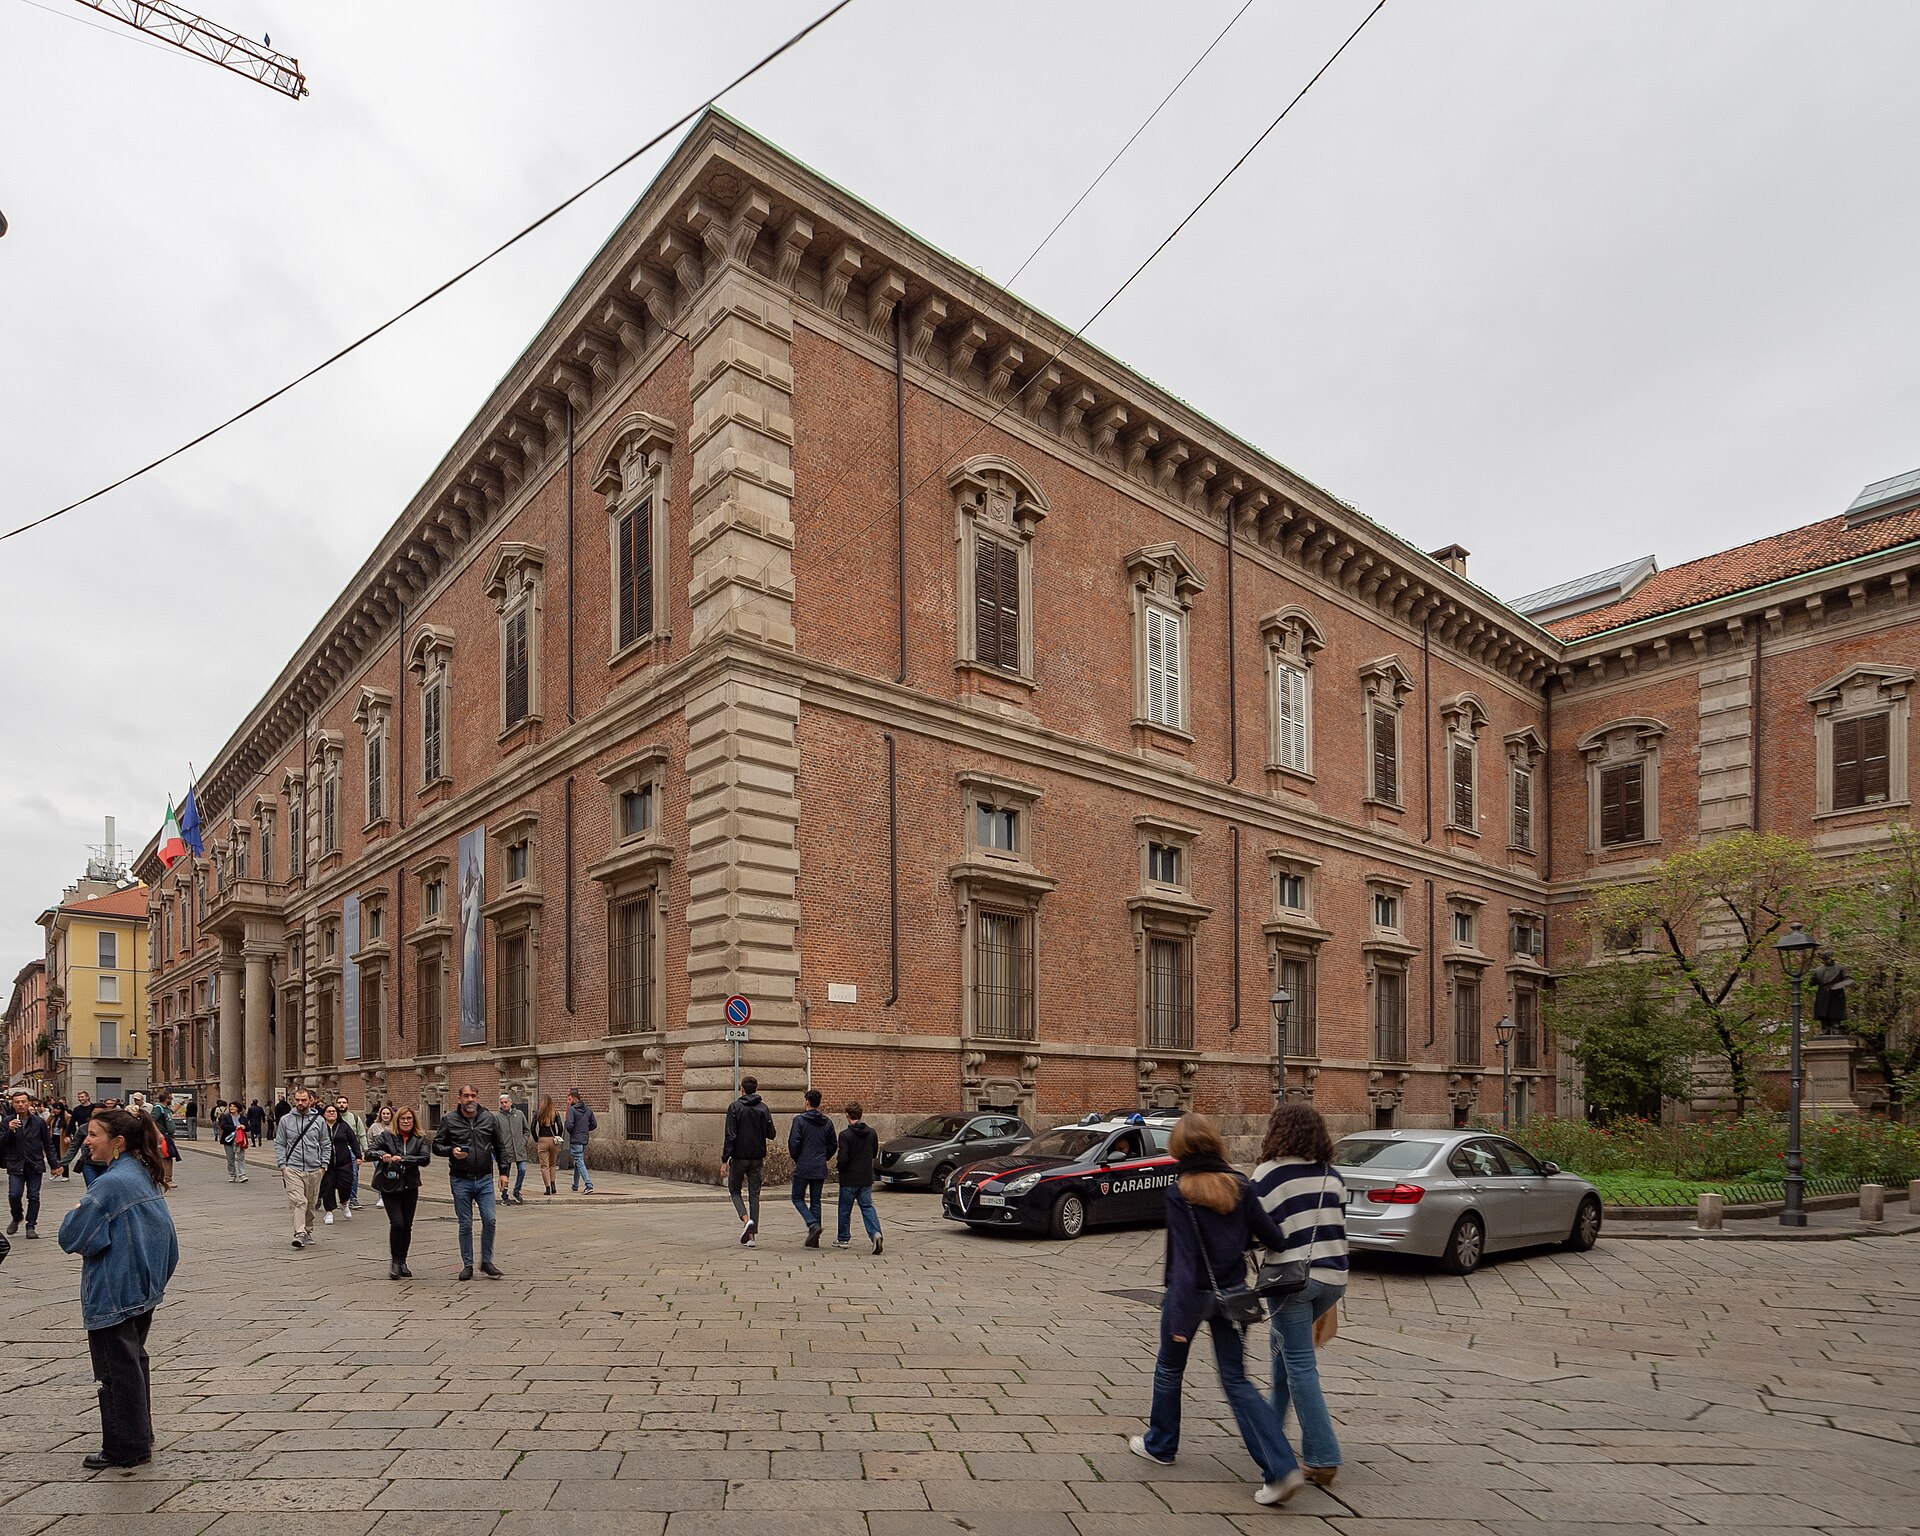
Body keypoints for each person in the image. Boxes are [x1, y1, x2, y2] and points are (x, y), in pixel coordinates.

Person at [1132, 1112, 1302, 1507]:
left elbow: (1185, 1261)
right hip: (1234, 1295)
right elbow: (1275, 1238)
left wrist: (1178, 1318)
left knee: (1169, 1368)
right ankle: (1281, 1468)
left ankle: (1161, 1445)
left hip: (1189, 1296)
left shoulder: (1180, 1191)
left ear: (1178, 1148)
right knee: (1236, 1380)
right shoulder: (1240, 1185)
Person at [57, 1106, 179, 1470]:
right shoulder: (141, 1172)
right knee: (133, 1361)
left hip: (115, 1288)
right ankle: (139, 1434)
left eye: (94, 1135)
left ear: (118, 1141)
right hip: (142, 1287)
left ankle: (126, 1447)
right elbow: (166, 1237)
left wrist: (78, 1214)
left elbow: (72, 1236)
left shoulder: (110, 1184)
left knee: (115, 1370)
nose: (86, 1141)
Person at [1251, 1102, 1349, 1488]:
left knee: (1299, 1364)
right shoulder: (1332, 1175)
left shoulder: (1268, 1174)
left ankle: (1323, 1456)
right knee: (1284, 1355)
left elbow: (1259, 1230)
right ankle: (1270, 1436)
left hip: (1291, 1282)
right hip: (1333, 1280)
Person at [432, 1083, 509, 1280]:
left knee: (490, 1220)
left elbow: (500, 1146)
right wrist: (452, 1151)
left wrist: (504, 1173)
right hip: (460, 1179)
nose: (470, 1099)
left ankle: (486, 1261)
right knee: (465, 1224)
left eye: (473, 1095)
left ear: (477, 1097)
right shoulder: (449, 1120)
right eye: (466, 1096)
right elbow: (436, 1146)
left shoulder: (488, 1118)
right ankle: (468, 1265)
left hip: (484, 1179)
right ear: (459, 1099)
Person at [366, 1106, 431, 1280]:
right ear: (397, 1120)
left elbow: (425, 1159)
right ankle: (395, 1262)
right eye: (403, 1119)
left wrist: (403, 1159)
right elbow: (369, 1152)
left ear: (414, 1121)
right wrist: (383, 1155)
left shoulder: (419, 1138)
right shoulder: (387, 1136)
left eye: (409, 1118)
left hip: (410, 1185)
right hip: (390, 1185)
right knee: (397, 1223)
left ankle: (403, 1261)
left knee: (407, 1225)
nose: (406, 1122)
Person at [273, 1087, 331, 1249]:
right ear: (293, 1100)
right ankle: (299, 1232)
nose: (300, 1103)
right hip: (293, 1168)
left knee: (310, 1204)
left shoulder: (319, 1121)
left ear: (310, 1101)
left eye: (303, 1100)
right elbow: (280, 1143)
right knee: (299, 1201)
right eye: (297, 1100)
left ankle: (307, 1230)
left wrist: (323, 1166)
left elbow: (325, 1144)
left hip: (315, 1169)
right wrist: (282, 1165)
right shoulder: (286, 1120)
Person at [721, 1076, 774, 1245]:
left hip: (739, 1157)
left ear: (742, 1089)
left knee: (734, 1189)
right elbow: (771, 1133)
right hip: (757, 1157)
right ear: (756, 1089)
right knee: (754, 1194)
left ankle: (746, 1220)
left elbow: (730, 1135)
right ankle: (752, 1237)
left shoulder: (735, 1107)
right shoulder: (763, 1108)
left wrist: (724, 1159)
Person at [2, 1091, 58, 1238]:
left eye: (23, 1102)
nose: (20, 1105)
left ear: (29, 1103)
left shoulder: (39, 1122)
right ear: (12, 1104)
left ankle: (31, 1225)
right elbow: (2, 1143)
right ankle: (17, 1216)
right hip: (16, 1163)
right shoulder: (6, 1121)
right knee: (14, 1194)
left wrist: (54, 1164)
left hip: (34, 1163)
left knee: (33, 1196)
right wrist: (9, 1130)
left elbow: (48, 1144)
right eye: (17, 1102)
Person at [832, 1102, 882, 1254]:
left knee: (845, 1209)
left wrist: (840, 1168)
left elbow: (843, 1158)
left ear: (847, 1115)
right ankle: (875, 1233)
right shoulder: (872, 1133)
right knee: (867, 1207)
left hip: (849, 1177)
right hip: (866, 1176)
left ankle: (843, 1238)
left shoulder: (845, 1135)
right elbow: (874, 1153)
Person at [787, 1089, 835, 1247]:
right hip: (819, 1165)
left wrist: (798, 1158)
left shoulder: (799, 1120)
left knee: (797, 1197)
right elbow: (833, 1144)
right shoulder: (827, 1122)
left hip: (804, 1164)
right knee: (816, 1201)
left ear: (807, 1102)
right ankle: (814, 1240)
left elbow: (794, 1143)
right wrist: (824, 1157)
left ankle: (812, 1224)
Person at [317, 1105, 360, 1224]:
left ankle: (344, 1203)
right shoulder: (320, 1127)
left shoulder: (344, 1126)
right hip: (326, 1163)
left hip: (344, 1162)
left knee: (345, 1185)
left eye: (333, 1111)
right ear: (324, 1114)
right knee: (327, 1187)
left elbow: (353, 1141)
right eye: (329, 1111)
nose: (331, 1113)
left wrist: (358, 1156)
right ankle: (329, 1212)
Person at [496, 1092, 531, 1205]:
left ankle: (517, 1190)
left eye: (506, 1102)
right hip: (506, 1150)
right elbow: (495, 1135)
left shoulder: (519, 1114)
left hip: (519, 1149)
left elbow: (526, 1130)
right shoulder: (497, 1117)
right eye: (502, 1103)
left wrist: (523, 1142)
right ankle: (504, 1195)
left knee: (522, 1169)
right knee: (505, 1173)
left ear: (510, 1102)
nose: (504, 1104)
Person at [335, 1095, 367, 1210]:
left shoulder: (355, 1118)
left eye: (344, 1102)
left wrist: (365, 1151)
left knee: (353, 1174)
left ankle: (353, 1198)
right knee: (336, 1176)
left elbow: (361, 1135)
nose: (341, 1105)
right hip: (337, 1151)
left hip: (352, 1150)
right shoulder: (332, 1118)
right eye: (339, 1102)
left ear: (347, 1104)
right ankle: (340, 1199)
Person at [563, 1088, 597, 1194]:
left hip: (576, 1139)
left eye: (569, 1100)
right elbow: (594, 1124)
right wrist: (585, 1129)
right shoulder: (588, 1110)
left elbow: (569, 1125)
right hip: (584, 1138)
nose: (568, 1102)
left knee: (579, 1161)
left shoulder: (572, 1110)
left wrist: (573, 1131)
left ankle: (588, 1184)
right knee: (578, 1161)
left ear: (575, 1099)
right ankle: (575, 1184)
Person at [532, 1097, 564, 1195]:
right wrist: (558, 1136)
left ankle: (547, 1187)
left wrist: (536, 1139)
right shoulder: (555, 1112)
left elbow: (532, 1128)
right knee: (552, 1164)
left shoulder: (538, 1113)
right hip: (553, 1140)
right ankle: (553, 1184)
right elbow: (561, 1127)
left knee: (544, 1166)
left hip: (543, 1140)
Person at [216, 1101, 249, 1183]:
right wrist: (235, 1127)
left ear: (238, 1108)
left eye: (234, 1106)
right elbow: (223, 1126)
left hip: (240, 1139)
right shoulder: (226, 1117)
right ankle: (232, 1174)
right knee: (230, 1158)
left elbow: (248, 1128)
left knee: (241, 1157)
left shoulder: (243, 1118)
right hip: (229, 1139)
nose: (232, 1108)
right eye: (231, 1106)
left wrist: (244, 1127)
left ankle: (242, 1175)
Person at [368, 1106, 394, 1207]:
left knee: (391, 1175)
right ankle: (382, 1197)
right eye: (383, 1114)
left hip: (392, 1155)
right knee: (381, 1175)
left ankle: (392, 1194)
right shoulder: (374, 1126)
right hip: (378, 1156)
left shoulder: (395, 1126)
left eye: (388, 1114)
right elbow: (370, 1139)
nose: (386, 1116)